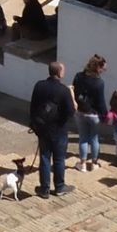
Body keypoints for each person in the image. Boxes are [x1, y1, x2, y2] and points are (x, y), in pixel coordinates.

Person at [28, 60, 76, 197]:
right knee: (59, 159)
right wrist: (72, 96)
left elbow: (33, 107)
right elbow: (71, 112)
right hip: (59, 130)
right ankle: (59, 187)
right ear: (59, 72)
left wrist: (35, 125)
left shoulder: (39, 86)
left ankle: (44, 189)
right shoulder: (64, 91)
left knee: (44, 158)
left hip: (42, 130)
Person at [72, 54, 108, 173]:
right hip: (93, 114)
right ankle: (94, 163)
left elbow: (75, 91)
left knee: (83, 138)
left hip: (80, 112)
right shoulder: (99, 83)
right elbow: (101, 102)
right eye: (103, 68)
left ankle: (82, 164)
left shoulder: (78, 76)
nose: (105, 70)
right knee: (94, 139)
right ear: (98, 68)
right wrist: (105, 116)